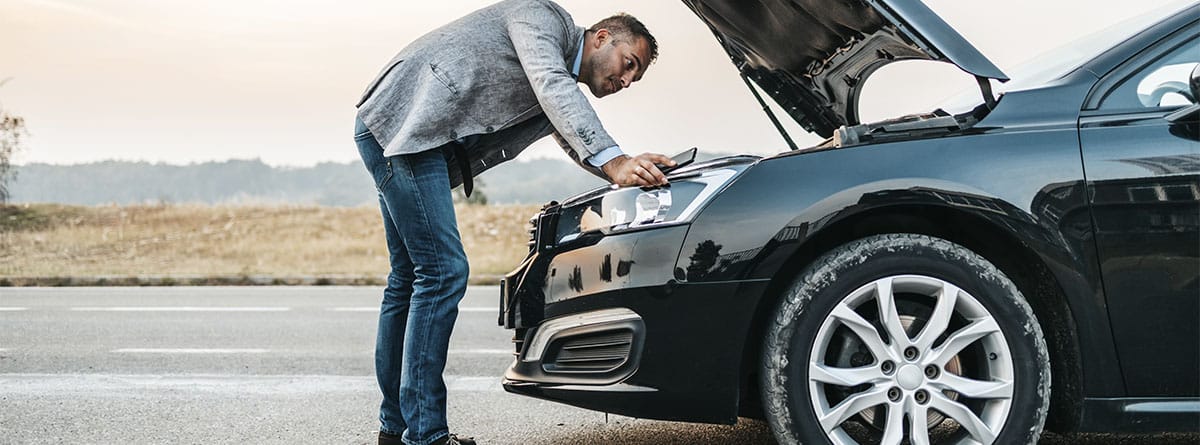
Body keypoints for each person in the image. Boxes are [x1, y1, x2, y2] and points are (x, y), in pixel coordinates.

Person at [352, 1, 672, 444]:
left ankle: (396, 430)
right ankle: (424, 435)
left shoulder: (558, 77)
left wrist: (627, 167)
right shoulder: (543, 19)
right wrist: (615, 160)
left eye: (633, 78)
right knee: (443, 273)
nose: (626, 80)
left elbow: (570, 131)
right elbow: (552, 85)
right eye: (628, 64)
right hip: (407, 127)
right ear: (601, 38)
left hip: (402, 131)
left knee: (408, 278)